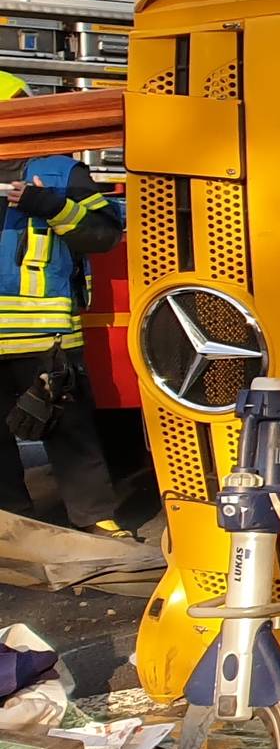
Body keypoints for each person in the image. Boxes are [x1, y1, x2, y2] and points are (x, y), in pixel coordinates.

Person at [0, 145, 126, 536]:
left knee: (67, 429)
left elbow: (104, 234)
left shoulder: (59, 173)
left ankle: (94, 518)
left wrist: (53, 207)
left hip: (41, 334)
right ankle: (12, 520)